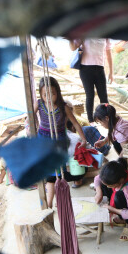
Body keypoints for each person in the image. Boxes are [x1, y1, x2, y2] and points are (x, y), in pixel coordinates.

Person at [32, 77, 107, 207]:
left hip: (59, 143)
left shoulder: (63, 107)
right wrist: (31, 128)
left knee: (56, 174)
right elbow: (30, 118)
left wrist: (84, 139)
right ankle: (49, 203)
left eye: (53, 94)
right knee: (49, 174)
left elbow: (76, 124)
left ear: (58, 93)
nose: (49, 98)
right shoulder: (39, 104)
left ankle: (55, 201)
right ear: (41, 94)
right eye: (45, 95)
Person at [70, 38, 113, 122]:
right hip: (85, 68)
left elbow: (108, 52)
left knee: (104, 96)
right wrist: (69, 38)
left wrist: (111, 72)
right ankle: (91, 120)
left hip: (100, 68)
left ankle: (108, 117)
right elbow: (73, 48)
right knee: (90, 95)